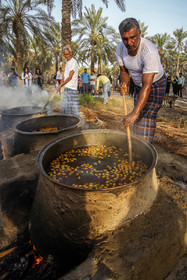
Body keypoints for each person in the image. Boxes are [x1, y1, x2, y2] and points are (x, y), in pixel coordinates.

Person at [116, 17, 166, 143]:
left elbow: (147, 85)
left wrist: (134, 112)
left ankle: (143, 149)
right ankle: (137, 145)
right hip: (139, 85)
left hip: (155, 85)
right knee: (137, 119)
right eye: (125, 39)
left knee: (145, 117)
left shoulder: (150, 52)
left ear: (139, 33)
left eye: (133, 37)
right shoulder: (120, 49)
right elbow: (123, 71)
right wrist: (125, 83)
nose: (129, 43)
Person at [56, 46, 80, 116]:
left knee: (74, 109)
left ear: (71, 53)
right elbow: (66, 75)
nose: (66, 56)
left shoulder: (73, 62)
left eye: (67, 54)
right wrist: (63, 79)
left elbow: (70, 77)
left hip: (72, 88)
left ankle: (77, 122)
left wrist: (60, 85)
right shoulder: (67, 62)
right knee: (66, 108)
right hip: (67, 87)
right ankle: (66, 121)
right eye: (65, 54)